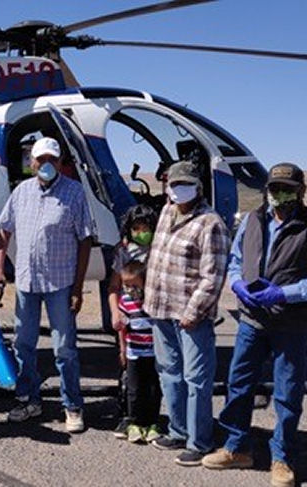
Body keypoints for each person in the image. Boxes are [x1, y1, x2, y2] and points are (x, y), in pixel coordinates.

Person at [202, 163, 307, 487]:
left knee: (288, 392)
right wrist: (236, 284)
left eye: (288, 189)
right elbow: (236, 262)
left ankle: (282, 458)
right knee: (239, 383)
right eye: (276, 188)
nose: (280, 195)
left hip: (292, 323)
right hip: (252, 320)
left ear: (301, 192)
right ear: (267, 190)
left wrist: (284, 294)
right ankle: (237, 448)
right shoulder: (252, 220)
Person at [0, 136, 93, 432]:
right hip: (26, 281)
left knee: (64, 348)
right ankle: (28, 399)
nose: (46, 164)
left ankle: (72, 405)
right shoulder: (21, 191)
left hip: (60, 282)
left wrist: (77, 288)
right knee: (24, 343)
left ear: (60, 163)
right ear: (31, 162)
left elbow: (85, 240)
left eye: (52, 159)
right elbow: (3, 232)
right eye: (41, 159)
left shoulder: (74, 193)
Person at [143, 161, 230, 466]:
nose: (179, 189)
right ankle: (178, 430)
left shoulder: (211, 224)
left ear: (198, 187)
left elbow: (213, 276)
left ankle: (200, 440)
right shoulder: (167, 212)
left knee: (196, 379)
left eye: (185, 184)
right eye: (174, 184)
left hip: (190, 315)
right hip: (160, 309)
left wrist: (194, 312)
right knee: (169, 372)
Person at [106, 204, 160, 441]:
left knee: (154, 378)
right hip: (130, 317)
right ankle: (129, 418)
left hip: (154, 318)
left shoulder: (159, 251)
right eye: (136, 229)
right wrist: (115, 314)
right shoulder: (123, 252)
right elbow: (113, 287)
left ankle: (153, 420)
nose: (141, 233)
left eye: (146, 228)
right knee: (130, 376)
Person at [114, 260, 162, 444]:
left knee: (153, 388)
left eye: (134, 285)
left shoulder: (152, 302)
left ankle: (152, 423)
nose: (129, 289)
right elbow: (123, 328)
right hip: (134, 352)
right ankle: (135, 423)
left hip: (153, 353)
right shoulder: (125, 302)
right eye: (126, 285)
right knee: (134, 389)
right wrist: (122, 349)